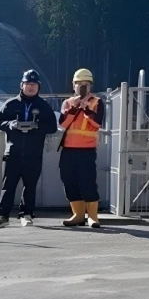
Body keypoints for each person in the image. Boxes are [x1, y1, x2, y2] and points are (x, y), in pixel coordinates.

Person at [0, 70, 58, 228]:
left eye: (34, 85)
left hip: (33, 153)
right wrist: (11, 125)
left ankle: (26, 214)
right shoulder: (11, 104)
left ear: (38, 87)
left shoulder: (43, 106)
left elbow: (52, 127)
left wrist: (37, 126)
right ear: (22, 85)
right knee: (8, 185)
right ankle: (2, 215)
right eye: (28, 84)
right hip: (13, 152)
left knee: (30, 185)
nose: (31, 87)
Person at [58, 68, 106, 228]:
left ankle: (92, 216)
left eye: (85, 84)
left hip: (86, 150)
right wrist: (74, 107)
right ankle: (78, 215)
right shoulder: (68, 103)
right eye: (78, 84)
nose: (81, 87)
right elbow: (62, 124)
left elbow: (97, 123)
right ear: (73, 85)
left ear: (90, 86)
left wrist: (85, 108)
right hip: (68, 149)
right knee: (68, 180)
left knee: (88, 182)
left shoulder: (97, 102)